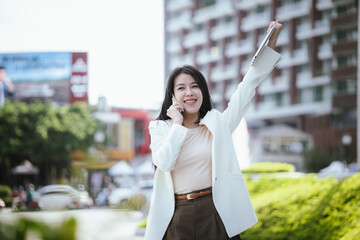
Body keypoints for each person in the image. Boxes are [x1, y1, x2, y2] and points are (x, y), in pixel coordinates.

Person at [145, 20, 283, 240]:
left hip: (215, 211)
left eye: (195, 86)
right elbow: (164, 163)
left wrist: (270, 42)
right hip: (177, 215)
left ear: (203, 90)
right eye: (181, 88)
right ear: (172, 96)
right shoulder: (161, 128)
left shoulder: (217, 123)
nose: (189, 92)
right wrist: (178, 125)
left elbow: (247, 87)